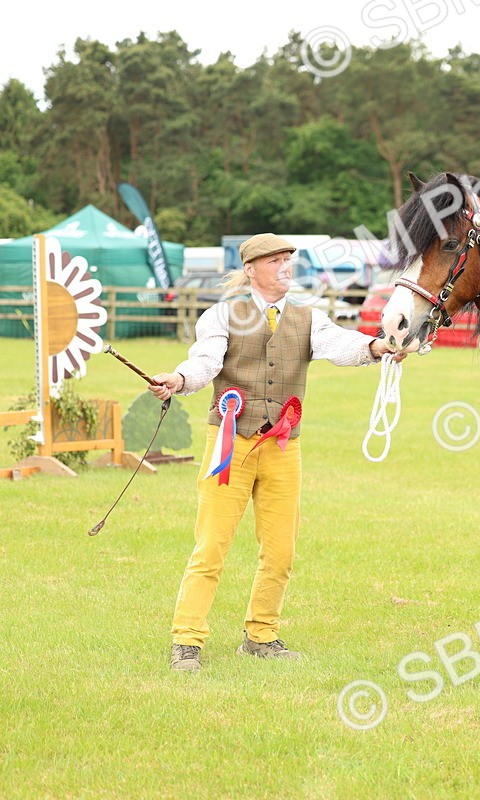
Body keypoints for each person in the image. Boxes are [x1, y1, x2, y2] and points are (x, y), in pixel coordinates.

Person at [150, 233, 400, 672]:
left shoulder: (308, 319)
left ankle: (261, 636)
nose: (286, 267)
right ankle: (187, 641)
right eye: (276, 261)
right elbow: (205, 361)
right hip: (230, 444)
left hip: (284, 447)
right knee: (211, 547)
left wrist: (376, 347)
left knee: (281, 551)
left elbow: (342, 345)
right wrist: (178, 379)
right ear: (251, 269)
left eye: (289, 260)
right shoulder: (220, 315)